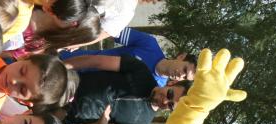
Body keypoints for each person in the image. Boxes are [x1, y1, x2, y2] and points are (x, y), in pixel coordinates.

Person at [62, 55, 190, 124]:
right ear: (171, 84)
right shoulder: (141, 70)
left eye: (171, 106)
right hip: (63, 85)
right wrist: (61, 67)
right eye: (170, 94)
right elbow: (96, 61)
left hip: (63, 116)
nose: (165, 101)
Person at [61, 28, 196, 87]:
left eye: (184, 78)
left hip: (77, 87)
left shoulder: (155, 88)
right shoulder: (150, 44)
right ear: (181, 56)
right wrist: (78, 40)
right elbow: (112, 30)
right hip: (72, 60)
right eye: (185, 70)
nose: (180, 75)